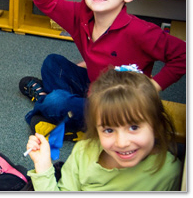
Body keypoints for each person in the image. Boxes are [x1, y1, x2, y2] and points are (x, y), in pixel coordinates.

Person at [19, 0, 186, 136]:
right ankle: (65, 112)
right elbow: (47, 2)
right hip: (94, 86)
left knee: (56, 101)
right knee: (52, 63)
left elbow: (183, 55)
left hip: (118, 106)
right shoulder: (80, 15)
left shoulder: (140, 31)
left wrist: (153, 86)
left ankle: (52, 108)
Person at [26, 68, 182, 191]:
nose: (121, 143)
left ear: (156, 125)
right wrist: (43, 167)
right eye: (108, 130)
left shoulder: (169, 172)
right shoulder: (83, 153)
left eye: (133, 127)